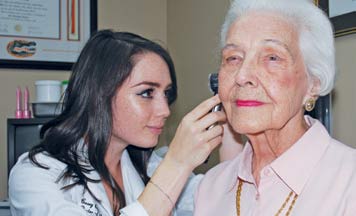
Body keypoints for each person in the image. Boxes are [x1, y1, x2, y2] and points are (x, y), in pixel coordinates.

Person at [9, 29, 231, 216]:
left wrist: (231, 110)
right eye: (146, 93)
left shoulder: (150, 166)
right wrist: (177, 164)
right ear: (99, 95)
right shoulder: (35, 174)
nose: (164, 111)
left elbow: (223, 197)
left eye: (167, 94)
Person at [194, 0, 356, 215]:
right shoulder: (211, 187)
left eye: (272, 58)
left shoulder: (349, 182)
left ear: (313, 84)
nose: (242, 76)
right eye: (233, 58)